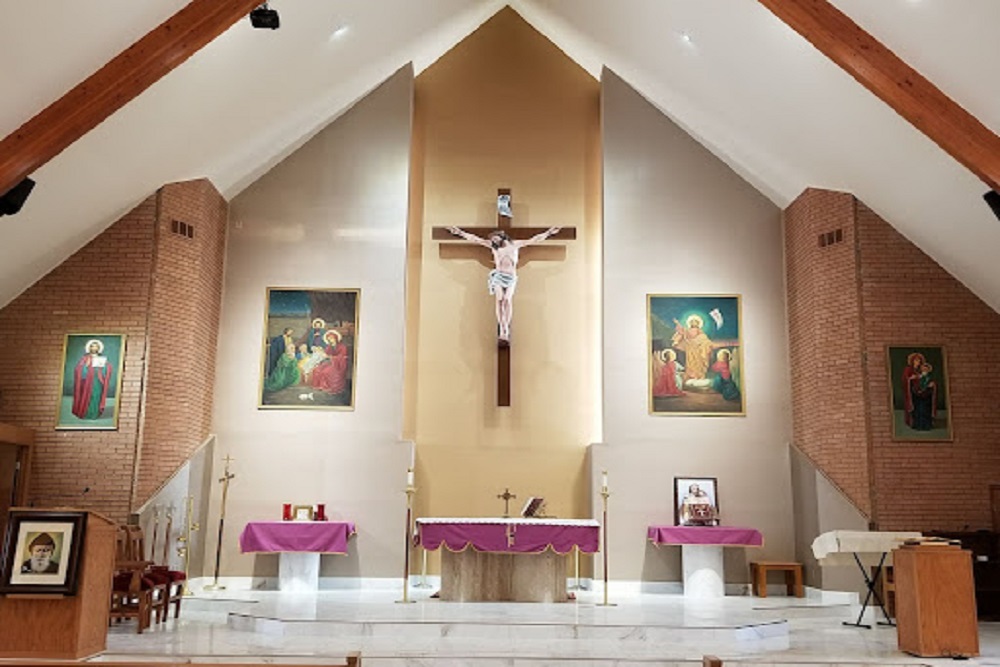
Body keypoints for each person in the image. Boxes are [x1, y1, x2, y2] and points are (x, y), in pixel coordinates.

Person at [446, 225, 561, 344]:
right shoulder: (493, 247)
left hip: (511, 278)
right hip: (498, 276)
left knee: (507, 300)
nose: (494, 241)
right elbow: (476, 239)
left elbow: (534, 239)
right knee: (500, 300)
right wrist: (460, 233)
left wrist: (549, 232)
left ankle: (506, 326)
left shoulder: (515, 244)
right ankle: (502, 328)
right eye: (493, 240)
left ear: (502, 236)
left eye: (495, 239)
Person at [71, 339, 113, 420]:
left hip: (97, 381)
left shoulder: (101, 359)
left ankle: (94, 414)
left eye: (96, 347)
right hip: (86, 382)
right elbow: (78, 369)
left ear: (99, 348)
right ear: (89, 348)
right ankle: (85, 413)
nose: (94, 348)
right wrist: (85, 366)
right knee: (87, 397)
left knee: (96, 397)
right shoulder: (85, 359)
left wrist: (104, 366)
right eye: (92, 346)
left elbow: (107, 369)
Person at [671, 315, 713, 382]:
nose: (693, 323)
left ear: (698, 323)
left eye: (695, 322)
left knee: (698, 363)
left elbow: (704, 338)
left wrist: (703, 343)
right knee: (690, 363)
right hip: (690, 349)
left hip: (698, 350)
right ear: (690, 323)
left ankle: (698, 376)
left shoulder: (699, 331)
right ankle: (691, 376)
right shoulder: (687, 330)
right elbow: (682, 332)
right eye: (692, 322)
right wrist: (677, 323)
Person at [902, 352, 936, 430]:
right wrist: (911, 379)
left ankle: (926, 425)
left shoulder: (921, 369)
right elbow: (905, 379)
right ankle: (918, 425)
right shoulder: (908, 369)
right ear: (912, 361)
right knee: (918, 409)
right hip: (914, 393)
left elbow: (928, 379)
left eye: (919, 360)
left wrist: (931, 384)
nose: (918, 362)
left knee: (925, 408)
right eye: (916, 360)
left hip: (924, 393)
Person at [310, 330, 349, 395]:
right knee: (316, 370)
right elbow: (325, 354)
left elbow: (341, 357)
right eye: (329, 339)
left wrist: (330, 357)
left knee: (326, 372)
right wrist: (322, 356)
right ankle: (320, 386)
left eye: (331, 338)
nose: (330, 340)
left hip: (338, 365)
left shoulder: (342, 347)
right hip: (329, 362)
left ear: (336, 338)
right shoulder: (329, 347)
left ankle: (328, 387)